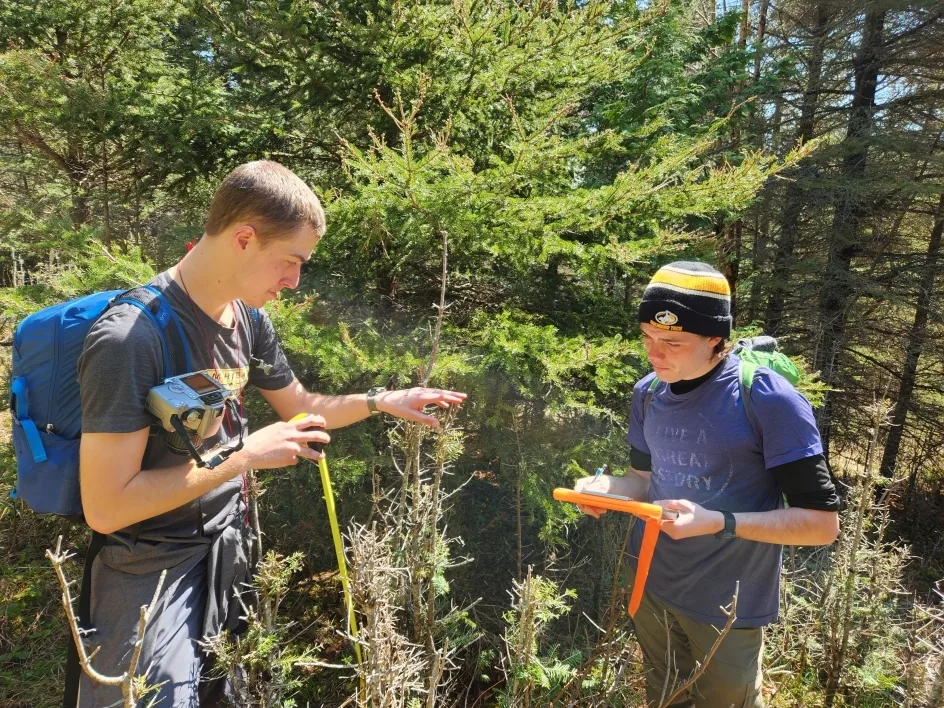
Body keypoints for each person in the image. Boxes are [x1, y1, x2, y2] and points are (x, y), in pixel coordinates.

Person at [73, 160, 467, 707]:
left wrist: (383, 401)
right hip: (149, 571)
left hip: (228, 550)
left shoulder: (247, 319)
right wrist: (245, 455)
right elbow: (107, 508)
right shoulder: (130, 339)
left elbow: (303, 406)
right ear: (243, 238)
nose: (294, 280)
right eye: (291, 261)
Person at [573, 261, 840, 708]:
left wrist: (719, 522)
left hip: (727, 605)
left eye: (673, 342)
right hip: (653, 588)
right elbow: (643, 483)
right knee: (664, 698)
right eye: (648, 338)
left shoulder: (766, 398)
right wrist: (602, 487)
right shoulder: (648, 393)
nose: (655, 354)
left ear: (715, 337)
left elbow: (820, 524)